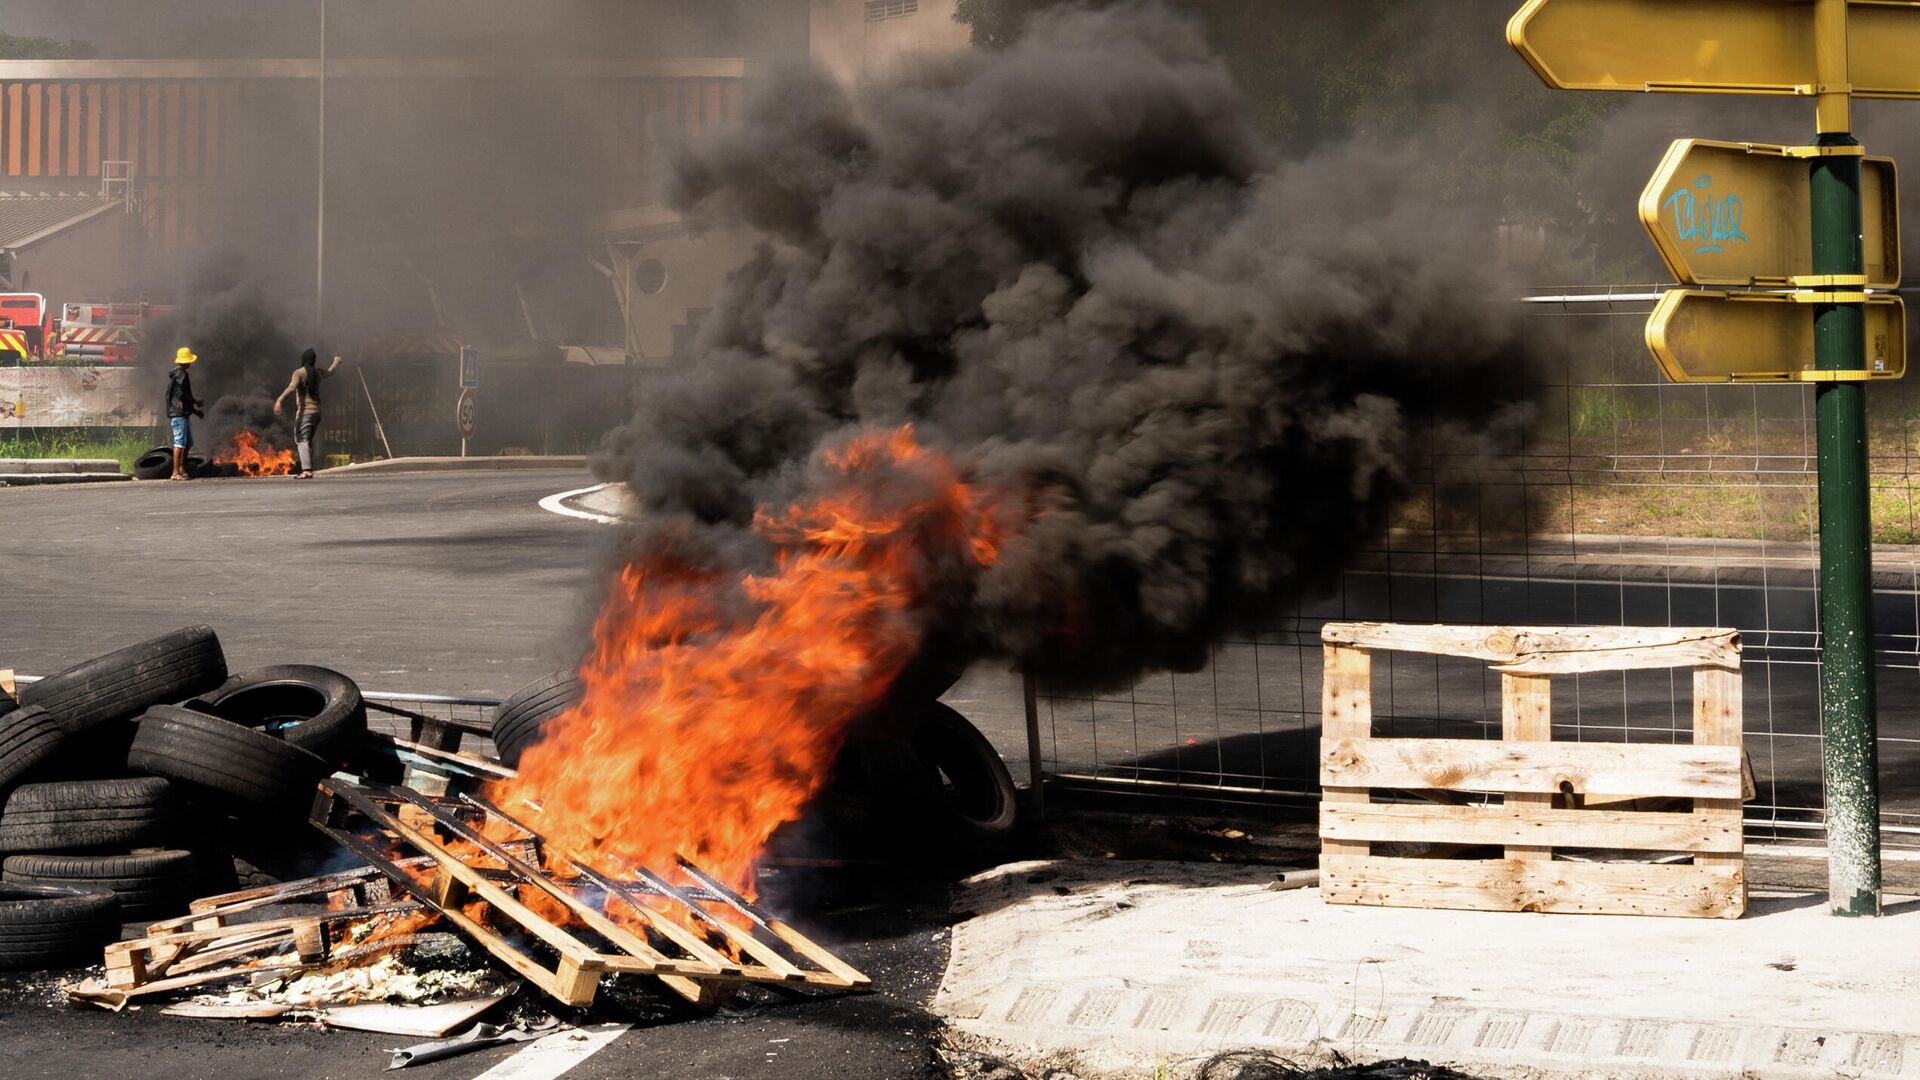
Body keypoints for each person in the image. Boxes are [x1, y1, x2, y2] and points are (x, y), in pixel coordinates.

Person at [274, 348, 343, 479]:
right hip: (317, 413)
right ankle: (309, 468)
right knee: (308, 441)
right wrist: (336, 362)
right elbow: (329, 372)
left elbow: (292, 387)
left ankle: (307, 470)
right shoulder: (317, 373)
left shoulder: (299, 373)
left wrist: (279, 400)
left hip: (305, 412)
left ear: (303, 359)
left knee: (301, 440)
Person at [165, 346, 204, 481]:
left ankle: (181, 468)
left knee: (187, 443)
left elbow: (185, 395)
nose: (191, 363)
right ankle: (175, 472)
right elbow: (181, 393)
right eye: (189, 360)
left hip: (183, 414)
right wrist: (181, 403)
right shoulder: (181, 374)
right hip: (179, 415)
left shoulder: (179, 373)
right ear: (186, 361)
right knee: (180, 443)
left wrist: (195, 407)